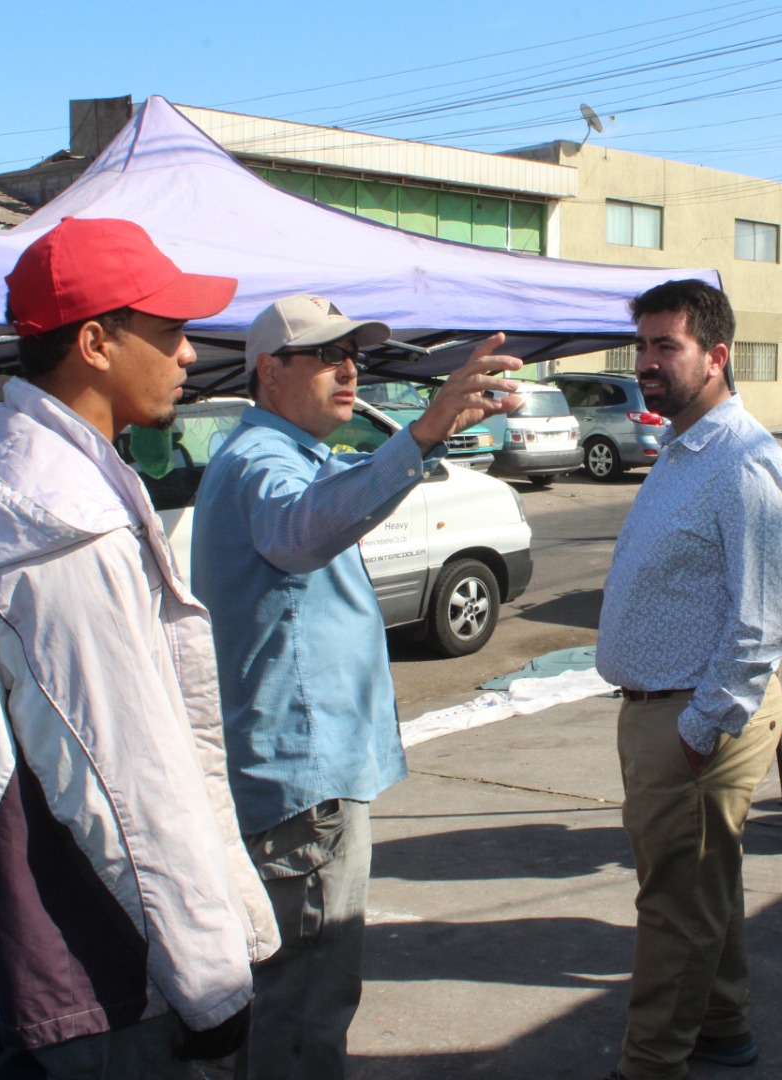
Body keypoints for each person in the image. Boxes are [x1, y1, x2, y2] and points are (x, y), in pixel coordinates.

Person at [0, 217, 280, 1077]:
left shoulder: (7, 478)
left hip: (49, 944)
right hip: (110, 962)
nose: (190, 354)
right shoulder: (64, 526)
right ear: (96, 341)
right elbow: (120, 777)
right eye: (173, 330)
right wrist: (212, 984)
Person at [191, 294, 521, 1080]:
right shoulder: (260, 464)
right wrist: (421, 433)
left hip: (306, 782)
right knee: (305, 1006)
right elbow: (301, 529)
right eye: (326, 356)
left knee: (299, 998)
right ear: (269, 373)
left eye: (356, 357)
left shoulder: (290, 454)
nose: (349, 371)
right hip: (302, 793)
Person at [594, 279, 782, 1080]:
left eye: (665, 346)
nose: (647, 362)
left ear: (717, 356)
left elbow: (761, 624)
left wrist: (701, 728)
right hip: (661, 708)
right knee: (699, 885)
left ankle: (651, 1062)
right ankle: (722, 1023)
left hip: (697, 714)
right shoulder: (684, 447)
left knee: (674, 908)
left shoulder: (747, 464)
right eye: (641, 345)